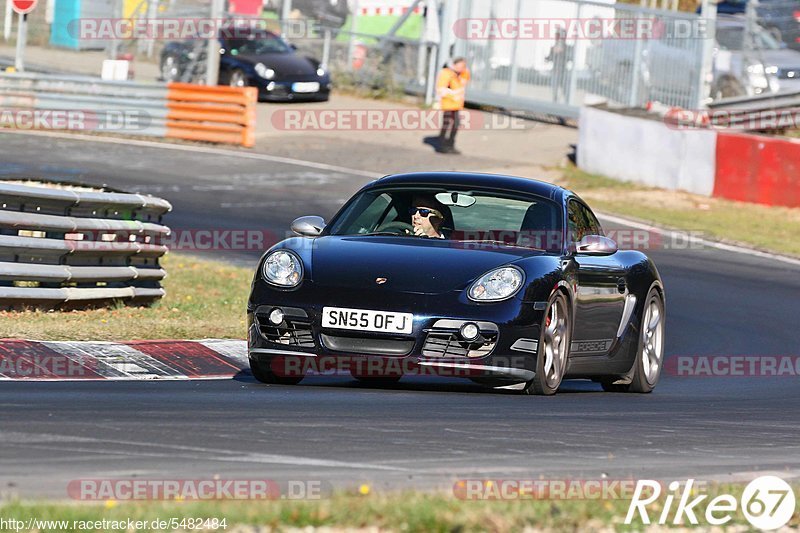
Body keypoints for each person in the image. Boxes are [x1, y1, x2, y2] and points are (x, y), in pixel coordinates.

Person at [435, 57, 470, 154]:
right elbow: (441, 88)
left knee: (456, 124)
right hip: (448, 103)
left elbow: (466, 77)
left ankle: (450, 145)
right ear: (454, 65)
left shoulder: (461, 74)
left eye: (464, 66)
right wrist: (453, 95)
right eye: (461, 65)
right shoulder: (446, 73)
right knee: (446, 124)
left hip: (457, 104)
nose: (463, 68)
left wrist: (462, 71)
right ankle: (441, 146)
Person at [546, 29, 573, 103]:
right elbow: (550, 58)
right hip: (555, 72)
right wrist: (548, 57)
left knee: (565, 91)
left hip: (564, 73)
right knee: (554, 90)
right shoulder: (553, 47)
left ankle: (567, 104)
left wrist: (562, 51)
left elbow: (570, 58)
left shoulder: (567, 47)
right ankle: (555, 103)